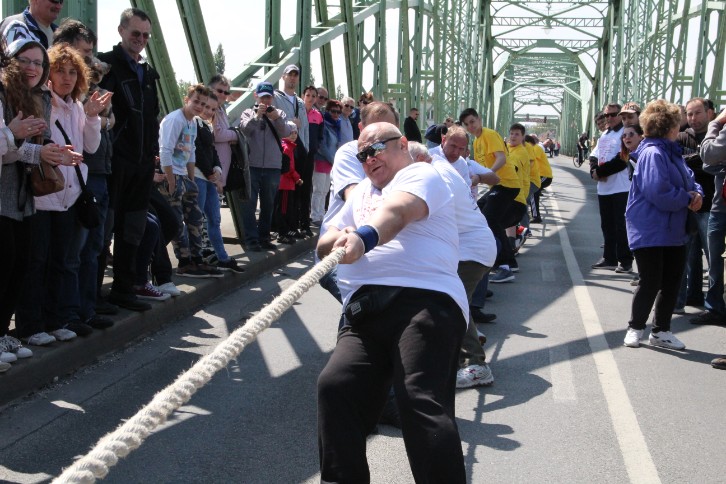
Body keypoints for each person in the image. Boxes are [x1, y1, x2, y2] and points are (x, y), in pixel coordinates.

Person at [316, 122, 468, 483]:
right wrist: (341, 237)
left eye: (375, 149)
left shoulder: (422, 175)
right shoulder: (361, 193)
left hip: (426, 299)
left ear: (402, 144)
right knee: (336, 386)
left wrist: (363, 237)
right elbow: (324, 244)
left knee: (417, 396)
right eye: (361, 155)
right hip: (367, 308)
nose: (368, 159)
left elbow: (398, 212)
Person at [15, 41, 106, 344]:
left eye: (72, 72)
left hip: (69, 197)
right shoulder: (40, 101)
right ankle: (31, 326)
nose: (66, 77)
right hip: (42, 195)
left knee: (61, 261)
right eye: (59, 70)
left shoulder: (78, 107)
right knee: (36, 263)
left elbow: (90, 146)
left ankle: (56, 320)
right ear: (48, 74)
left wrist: (91, 116)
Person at [412, 136, 498, 388]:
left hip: (471, 251)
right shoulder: (438, 166)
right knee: (449, 301)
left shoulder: (435, 176)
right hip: (471, 247)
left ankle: (476, 364)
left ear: (419, 160)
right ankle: (460, 344)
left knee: (451, 304)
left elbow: (427, 216)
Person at [623, 100, 703, 350]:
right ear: (670, 127)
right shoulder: (654, 153)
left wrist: (697, 193)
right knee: (650, 280)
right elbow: (657, 191)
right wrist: (688, 198)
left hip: (672, 228)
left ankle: (661, 331)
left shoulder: (670, 151)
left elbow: (690, 179)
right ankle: (635, 328)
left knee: (671, 281)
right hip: (650, 228)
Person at [98, 8, 161, 312]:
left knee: (132, 229)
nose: (141, 39)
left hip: (142, 162)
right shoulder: (106, 65)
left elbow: (153, 115)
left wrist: (152, 154)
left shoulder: (148, 73)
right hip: (115, 161)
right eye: (136, 33)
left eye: (146, 35)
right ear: (121, 30)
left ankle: (123, 291)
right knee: (105, 229)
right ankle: (92, 297)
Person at [0, 37, 51, 360]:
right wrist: (15, 136)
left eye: (38, 63)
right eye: (25, 60)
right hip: (4, 196)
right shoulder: (4, 93)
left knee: (19, 265)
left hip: (21, 196)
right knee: (5, 264)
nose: (32, 67)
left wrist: (46, 152)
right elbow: (7, 150)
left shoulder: (35, 99)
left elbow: (14, 152)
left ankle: (2, 334)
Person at [158, 83, 222, 278]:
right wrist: (171, 181)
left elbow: (191, 151)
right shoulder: (174, 120)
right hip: (172, 175)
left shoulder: (192, 122)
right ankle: (184, 262)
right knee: (177, 222)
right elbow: (165, 151)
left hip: (185, 177)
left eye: (203, 104)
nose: (200, 107)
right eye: (196, 102)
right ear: (186, 100)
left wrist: (191, 179)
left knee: (195, 218)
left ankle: (197, 259)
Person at [460, 107, 520, 279]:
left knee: (489, 219)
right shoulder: (477, 141)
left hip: (507, 184)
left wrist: (487, 175)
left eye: (472, 121)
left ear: (479, 119)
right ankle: (509, 262)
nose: (470, 126)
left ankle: (504, 265)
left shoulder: (489, 135)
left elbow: (501, 158)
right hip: (497, 186)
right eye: (466, 124)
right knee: (478, 212)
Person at [239, 81, 290, 251]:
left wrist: (276, 119)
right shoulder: (248, 113)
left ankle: (264, 237)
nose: (265, 101)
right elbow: (245, 130)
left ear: (272, 98)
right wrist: (257, 117)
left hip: (272, 166)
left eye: (268, 97)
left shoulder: (279, 113)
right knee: (249, 205)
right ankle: (251, 240)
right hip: (252, 166)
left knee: (268, 205)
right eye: (262, 97)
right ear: (256, 96)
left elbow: (286, 133)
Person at [195, 92, 243, 272]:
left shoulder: (206, 125)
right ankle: (195, 258)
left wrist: (217, 170)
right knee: (195, 220)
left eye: (213, 109)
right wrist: (211, 173)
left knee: (214, 219)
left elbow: (212, 151)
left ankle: (222, 257)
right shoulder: (193, 123)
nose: (208, 111)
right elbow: (197, 151)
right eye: (206, 107)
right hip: (199, 177)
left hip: (209, 178)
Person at [677, 98, 715, 314]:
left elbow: (715, 163)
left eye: (697, 113)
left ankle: (714, 306)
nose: (692, 118)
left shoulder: (717, 135)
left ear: (709, 113)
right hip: (688, 206)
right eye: (689, 114)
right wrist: (703, 160)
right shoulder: (682, 136)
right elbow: (679, 163)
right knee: (686, 257)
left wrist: (690, 161)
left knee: (713, 258)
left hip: (712, 206)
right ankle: (687, 298)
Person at [589, 103, 633, 273]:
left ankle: (625, 260)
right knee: (607, 225)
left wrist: (600, 172)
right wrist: (594, 170)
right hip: (604, 188)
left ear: (620, 116)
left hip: (621, 187)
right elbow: (594, 155)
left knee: (621, 226)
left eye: (613, 114)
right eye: (606, 115)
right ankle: (609, 258)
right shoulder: (605, 135)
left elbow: (623, 158)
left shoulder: (625, 132)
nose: (609, 118)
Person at [696, 107, 726, 327]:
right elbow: (709, 162)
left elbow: (708, 155)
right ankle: (715, 306)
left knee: (715, 260)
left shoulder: (721, 125)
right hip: (719, 205)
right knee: (714, 260)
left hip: (720, 206)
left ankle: (715, 307)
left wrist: (716, 123)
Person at [311, 99, 343, 224]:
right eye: (333, 111)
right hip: (321, 160)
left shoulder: (336, 126)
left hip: (329, 162)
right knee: (318, 190)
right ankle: (315, 216)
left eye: (338, 112)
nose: (336, 114)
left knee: (325, 190)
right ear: (328, 111)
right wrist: (333, 160)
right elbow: (322, 146)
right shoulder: (324, 124)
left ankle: (321, 215)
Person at [274, 123, 303, 244]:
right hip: (285, 184)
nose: (293, 135)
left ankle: (287, 231)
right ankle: (282, 234)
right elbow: (288, 168)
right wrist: (297, 178)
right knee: (284, 210)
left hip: (288, 183)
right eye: (290, 132)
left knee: (286, 209)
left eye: (295, 132)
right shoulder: (286, 147)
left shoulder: (289, 146)